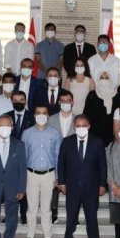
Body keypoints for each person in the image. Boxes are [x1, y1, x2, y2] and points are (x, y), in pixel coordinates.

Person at [57, 115, 107, 238]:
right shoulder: (67, 141)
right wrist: (61, 182)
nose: (81, 128)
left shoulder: (97, 142)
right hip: (72, 186)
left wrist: (102, 184)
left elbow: (102, 165)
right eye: (78, 125)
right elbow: (61, 163)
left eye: (84, 125)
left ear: (89, 126)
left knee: (91, 216)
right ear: (74, 126)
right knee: (71, 215)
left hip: (91, 186)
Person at [22, 105, 62, 238]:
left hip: (49, 175)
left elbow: (58, 156)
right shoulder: (26, 133)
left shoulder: (54, 133)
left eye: (44, 113)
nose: (41, 115)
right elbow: (23, 156)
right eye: (38, 112)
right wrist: (22, 177)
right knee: (31, 208)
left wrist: (58, 177)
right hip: (31, 174)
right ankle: (30, 237)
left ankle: (47, 237)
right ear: (34, 115)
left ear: (48, 115)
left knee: (46, 208)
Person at [5, 91, 35, 224]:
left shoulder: (32, 117)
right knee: (10, 188)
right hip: (9, 157)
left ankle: (24, 215)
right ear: (11, 101)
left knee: (25, 187)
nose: (18, 102)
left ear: (25, 101)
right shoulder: (5, 117)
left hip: (27, 157)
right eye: (15, 100)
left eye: (21, 100)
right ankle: (10, 215)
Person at [48, 91, 76, 223]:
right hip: (54, 156)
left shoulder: (78, 120)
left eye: (68, 100)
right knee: (54, 184)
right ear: (59, 102)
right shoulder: (51, 119)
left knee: (73, 186)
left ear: (72, 102)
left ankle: (73, 215)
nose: (66, 103)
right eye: (63, 101)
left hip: (72, 158)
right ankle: (53, 212)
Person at [84, 70, 115, 147]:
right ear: (98, 79)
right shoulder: (92, 94)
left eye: (106, 78)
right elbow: (86, 114)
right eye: (101, 78)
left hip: (110, 132)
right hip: (94, 131)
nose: (104, 80)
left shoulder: (115, 96)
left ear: (110, 80)